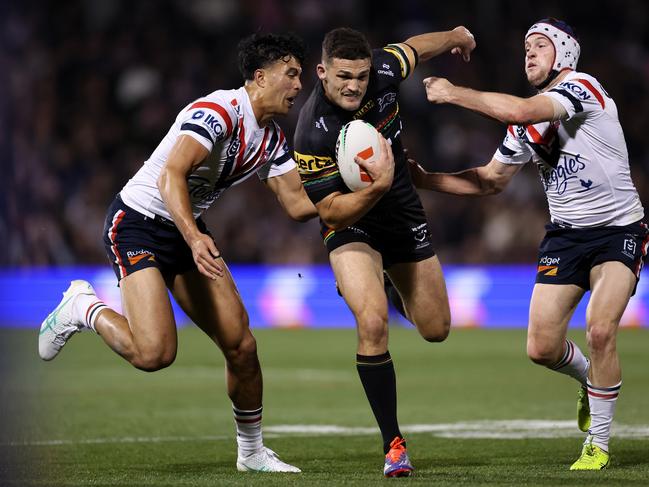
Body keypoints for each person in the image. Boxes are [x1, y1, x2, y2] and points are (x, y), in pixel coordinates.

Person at [38, 32, 320, 473]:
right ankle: (82, 307)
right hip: (137, 222)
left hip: (184, 229)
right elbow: (172, 176)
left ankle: (251, 454)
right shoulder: (218, 111)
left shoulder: (271, 139)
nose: (299, 85)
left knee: (242, 345)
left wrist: (362, 184)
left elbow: (300, 205)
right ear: (260, 77)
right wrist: (193, 237)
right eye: (292, 74)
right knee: (154, 354)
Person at [414, 18, 647, 470]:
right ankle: (587, 379)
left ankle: (597, 444)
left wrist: (453, 92)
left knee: (600, 330)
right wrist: (426, 180)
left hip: (619, 231)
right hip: (565, 235)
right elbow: (488, 181)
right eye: (525, 49)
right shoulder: (526, 126)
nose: (529, 54)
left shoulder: (584, 88)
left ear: (564, 54)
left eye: (539, 46)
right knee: (540, 347)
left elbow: (520, 111)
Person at [293, 26, 476, 477]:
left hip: (401, 212)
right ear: (322, 72)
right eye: (342, 77)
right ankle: (393, 443)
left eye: (359, 75)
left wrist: (456, 34)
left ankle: (390, 285)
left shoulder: (384, 70)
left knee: (436, 329)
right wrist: (377, 188)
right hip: (350, 219)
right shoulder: (310, 133)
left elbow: (416, 47)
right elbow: (331, 212)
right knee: (372, 322)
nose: (353, 85)